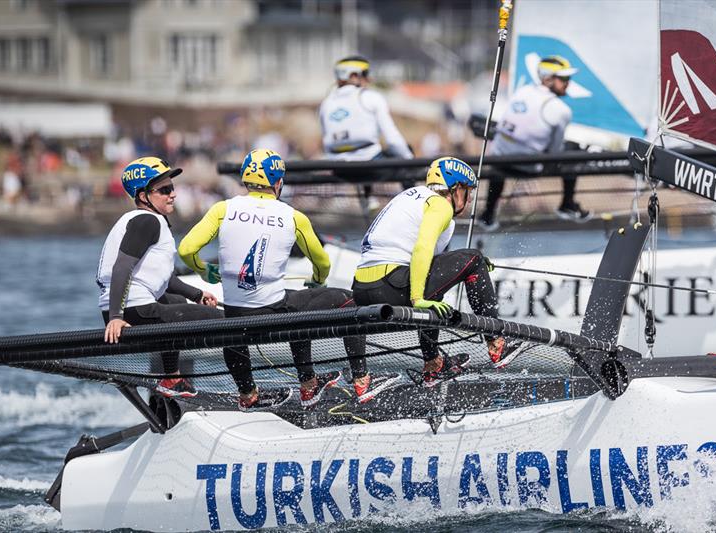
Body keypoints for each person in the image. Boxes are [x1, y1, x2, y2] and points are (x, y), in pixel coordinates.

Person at [178, 149, 399, 410]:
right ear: (278, 183)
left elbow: (185, 250)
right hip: (274, 314)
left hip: (238, 316)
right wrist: (317, 281)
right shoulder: (293, 216)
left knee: (244, 323)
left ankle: (248, 394)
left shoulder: (222, 209)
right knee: (346, 301)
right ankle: (357, 381)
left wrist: (204, 271)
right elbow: (323, 262)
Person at [352, 157, 528, 387]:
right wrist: (418, 298)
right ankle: (497, 344)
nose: (470, 198)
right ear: (456, 189)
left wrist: (462, 265)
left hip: (362, 289)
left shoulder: (412, 195)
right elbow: (423, 248)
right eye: (468, 191)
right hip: (391, 285)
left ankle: (433, 364)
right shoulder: (440, 205)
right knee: (473, 258)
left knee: (444, 280)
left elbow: (431, 265)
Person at [96, 156, 222, 398]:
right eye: (164, 190)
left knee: (175, 302)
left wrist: (196, 295)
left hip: (133, 309)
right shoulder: (147, 221)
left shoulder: (144, 220)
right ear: (143, 196)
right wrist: (115, 317)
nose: (172, 194)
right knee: (229, 323)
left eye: (172, 187)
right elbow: (121, 268)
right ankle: (249, 393)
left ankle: (171, 378)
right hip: (132, 312)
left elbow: (165, 279)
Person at [480, 55, 592, 230]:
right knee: (576, 149)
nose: (568, 83)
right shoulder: (562, 110)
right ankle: (567, 204)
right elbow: (554, 152)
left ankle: (487, 214)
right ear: (547, 79)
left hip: (498, 160)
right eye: (563, 78)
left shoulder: (522, 90)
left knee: (504, 152)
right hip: (529, 167)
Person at [319, 55, 414, 211]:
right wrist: (410, 162)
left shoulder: (325, 104)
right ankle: (413, 209)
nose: (369, 79)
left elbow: (327, 143)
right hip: (370, 167)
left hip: (339, 170)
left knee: (367, 152)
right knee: (402, 152)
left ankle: (368, 200)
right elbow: (394, 140)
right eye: (365, 73)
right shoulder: (371, 97)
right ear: (353, 75)